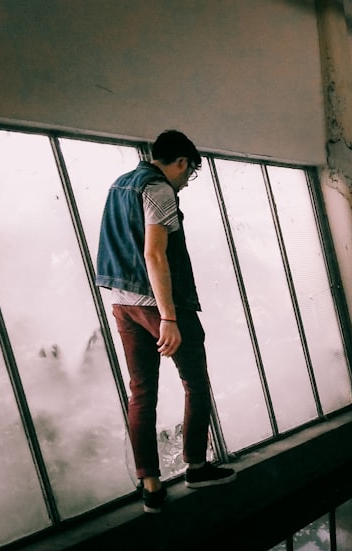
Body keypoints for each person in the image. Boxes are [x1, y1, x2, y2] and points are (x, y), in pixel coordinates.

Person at [96, 130, 236, 514]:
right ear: (180, 162)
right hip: (159, 306)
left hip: (122, 304)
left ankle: (151, 486)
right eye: (189, 173)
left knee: (141, 392)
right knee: (196, 383)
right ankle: (196, 466)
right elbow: (155, 255)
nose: (186, 181)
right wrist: (169, 318)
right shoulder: (158, 190)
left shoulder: (119, 184)